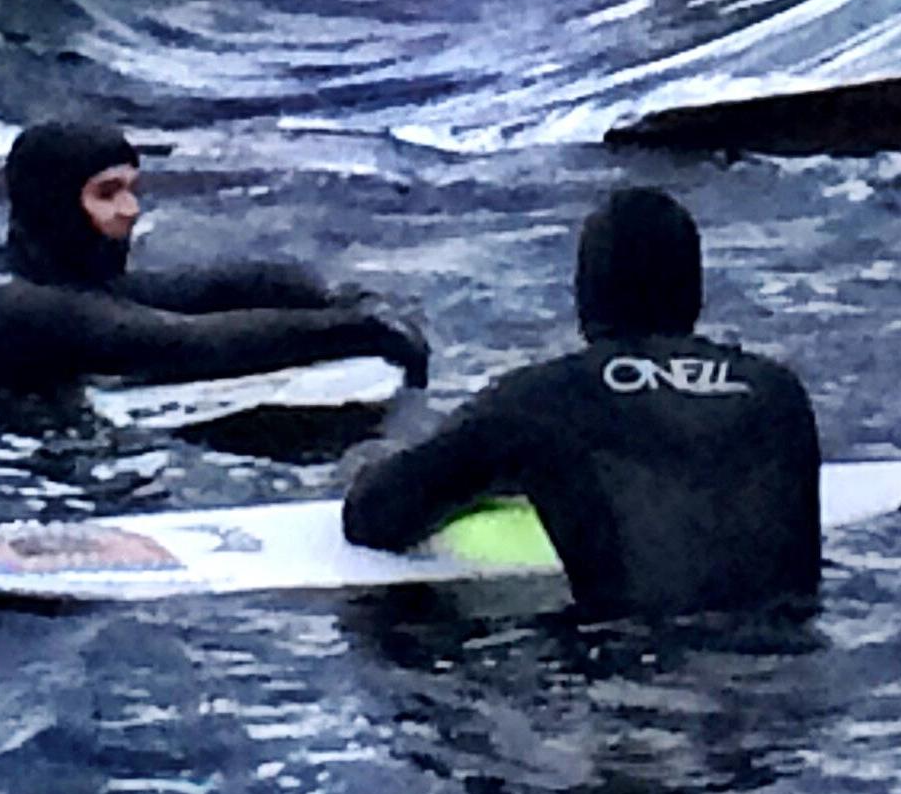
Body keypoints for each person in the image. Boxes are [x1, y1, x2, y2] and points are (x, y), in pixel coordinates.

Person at [342, 185, 820, 617]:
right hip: (791, 676)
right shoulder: (777, 394)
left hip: (638, 683)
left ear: (586, 296)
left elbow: (375, 517)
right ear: (694, 294)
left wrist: (369, 460)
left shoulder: (542, 400)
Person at [0, 117, 429, 412]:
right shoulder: (10, 307)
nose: (130, 211)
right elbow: (181, 343)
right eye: (107, 194)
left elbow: (202, 288)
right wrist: (360, 330)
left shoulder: (48, 274)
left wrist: (331, 295)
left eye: (133, 191)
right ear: (54, 203)